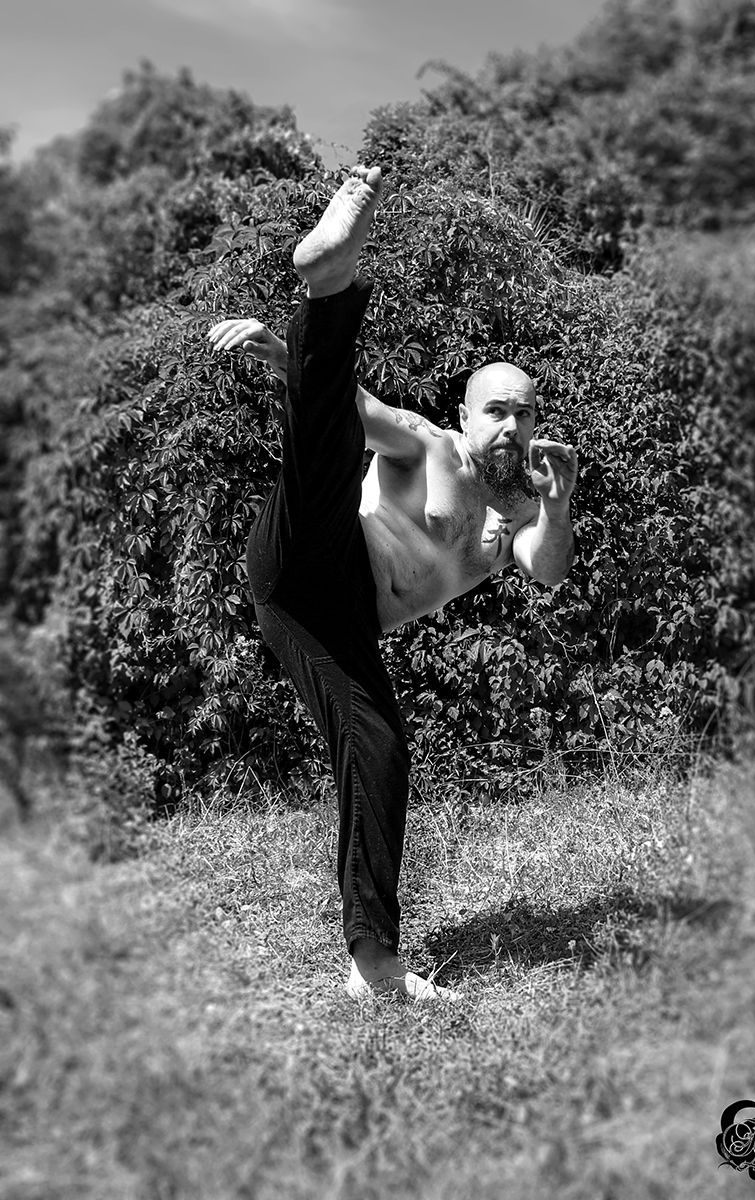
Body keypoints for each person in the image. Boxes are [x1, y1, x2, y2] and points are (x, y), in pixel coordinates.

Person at [208, 165, 578, 1001]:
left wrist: (564, 505)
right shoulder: (430, 448)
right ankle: (329, 280)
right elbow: (359, 411)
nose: (512, 424)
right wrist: (295, 357)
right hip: (309, 557)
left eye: (524, 410)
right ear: (467, 416)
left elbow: (547, 576)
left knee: (379, 751)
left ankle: (373, 967)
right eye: (496, 410)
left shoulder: (522, 509)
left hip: (338, 625)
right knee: (330, 456)